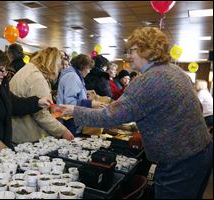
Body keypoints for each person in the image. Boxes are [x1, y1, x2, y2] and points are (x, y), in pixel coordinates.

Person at [60, 27, 212, 199]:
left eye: (132, 50)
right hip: (201, 151)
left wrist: (74, 110)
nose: (129, 56)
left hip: (178, 161)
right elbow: (197, 108)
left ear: (145, 50)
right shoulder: (176, 71)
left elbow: (110, 116)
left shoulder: (148, 80)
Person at [9, 47, 74, 143]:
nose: (60, 68)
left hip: (17, 130)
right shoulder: (37, 78)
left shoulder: (30, 69)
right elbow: (41, 115)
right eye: (59, 64)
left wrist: (52, 107)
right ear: (52, 63)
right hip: (26, 135)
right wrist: (63, 131)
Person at [57, 54, 104, 135]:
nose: (89, 71)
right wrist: (91, 103)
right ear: (82, 66)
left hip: (70, 120)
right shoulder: (72, 76)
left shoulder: (73, 75)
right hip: (69, 121)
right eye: (88, 68)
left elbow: (73, 92)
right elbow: (69, 102)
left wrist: (85, 92)